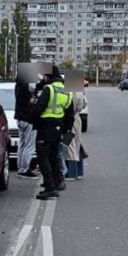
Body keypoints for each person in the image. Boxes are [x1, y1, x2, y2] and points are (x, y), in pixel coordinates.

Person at [32, 65, 75, 200]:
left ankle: (50, 188)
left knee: (43, 157)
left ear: (48, 76)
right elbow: (70, 113)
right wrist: (66, 129)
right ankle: (57, 183)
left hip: (45, 127)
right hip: (58, 128)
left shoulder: (49, 89)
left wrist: (32, 111)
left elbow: (38, 108)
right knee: (54, 156)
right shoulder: (68, 90)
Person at [14, 75, 39, 179]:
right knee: (29, 145)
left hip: (20, 117)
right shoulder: (28, 86)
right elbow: (36, 87)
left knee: (22, 144)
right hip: (28, 118)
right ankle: (25, 169)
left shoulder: (18, 86)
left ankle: (21, 167)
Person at [64, 91, 86, 180]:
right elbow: (83, 105)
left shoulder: (72, 93)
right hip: (76, 118)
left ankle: (71, 173)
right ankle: (79, 171)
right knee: (77, 144)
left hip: (70, 119)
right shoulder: (80, 92)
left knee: (69, 144)